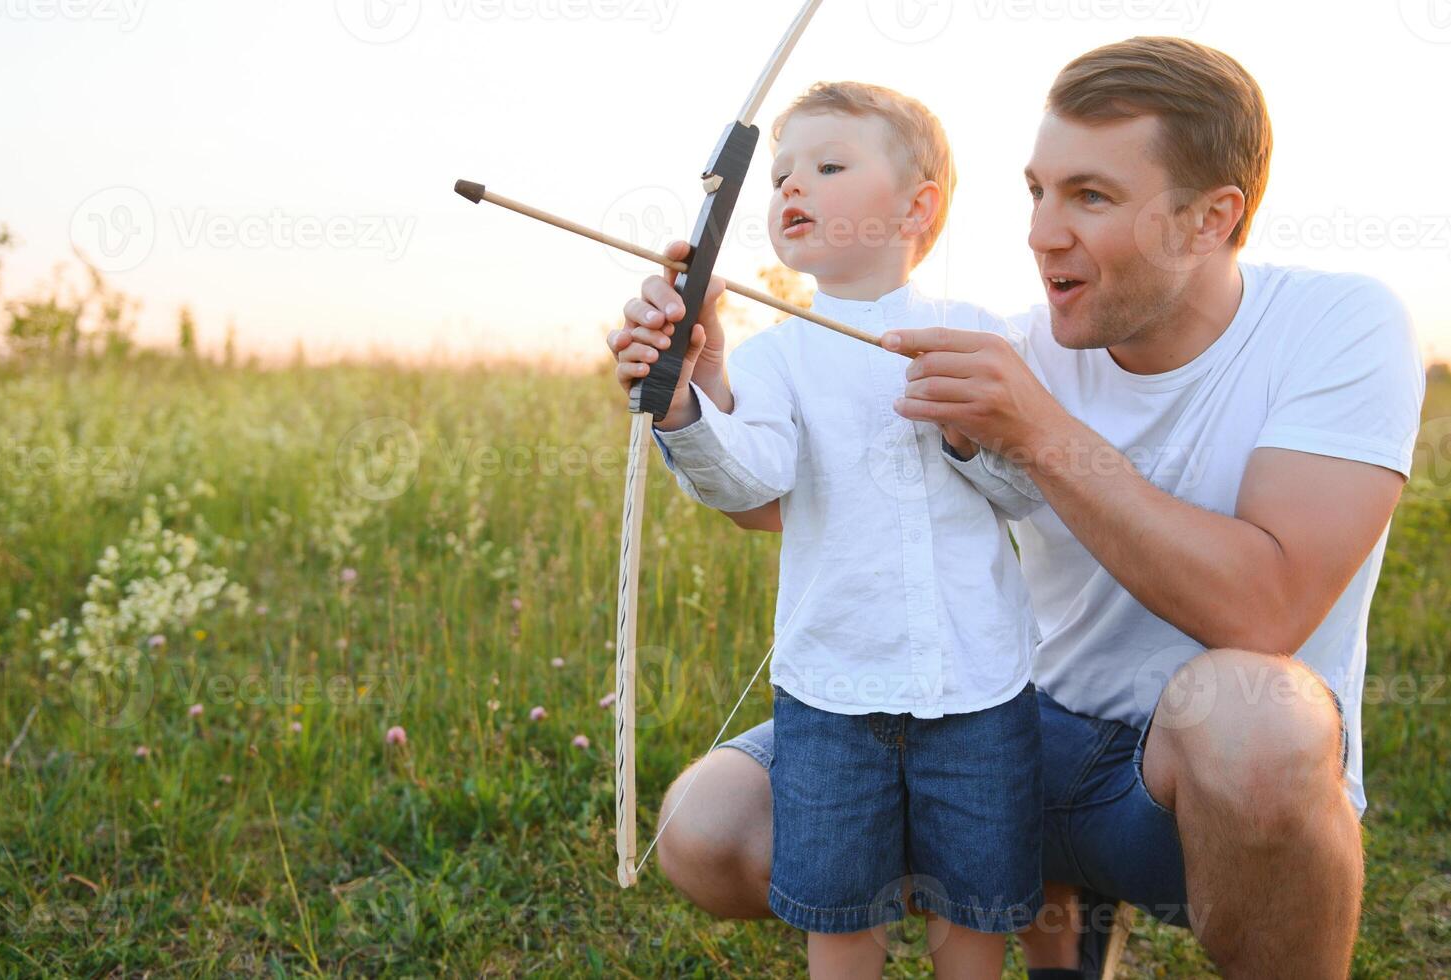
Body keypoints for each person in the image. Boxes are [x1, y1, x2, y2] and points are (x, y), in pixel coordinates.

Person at [607, 38, 1425, 980]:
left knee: (1260, 714)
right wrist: (702, 389)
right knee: (707, 828)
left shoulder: (1336, 326)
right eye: (1036, 191)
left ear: (1208, 219)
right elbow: (797, 502)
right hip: (995, 725)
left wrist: (1035, 431)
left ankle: (1096, 899)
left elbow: (1264, 610)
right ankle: (1058, 903)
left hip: (1181, 785)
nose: (1040, 233)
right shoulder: (1009, 342)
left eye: (1090, 196)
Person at [611, 80, 1053, 978]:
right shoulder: (774, 355)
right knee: (840, 909)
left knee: (972, 908)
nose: (789, 189)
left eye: (827, 165)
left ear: (915, 207)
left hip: (976, 686)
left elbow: (1027, 493)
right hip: (831, 697)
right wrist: (686, 396)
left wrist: (972, 436)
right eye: (777, 176)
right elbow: (748, 478)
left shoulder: (978, 335)